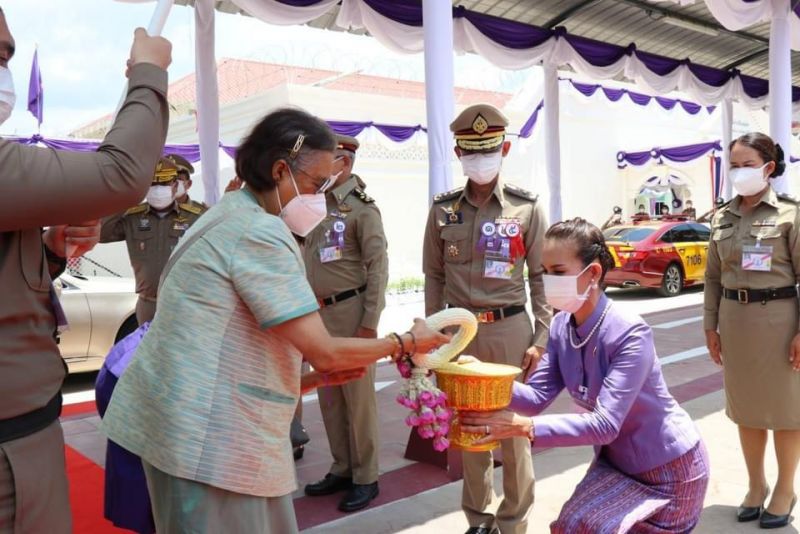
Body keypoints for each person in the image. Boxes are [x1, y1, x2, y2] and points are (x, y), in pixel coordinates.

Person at [101, 108, 450, 533]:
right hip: (208, 443)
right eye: (316, 184)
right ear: (281, 170)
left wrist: (303, 382)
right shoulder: (258, 231)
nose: (321, 196)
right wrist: (408, 342)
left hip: (189, 428)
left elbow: (223, 341)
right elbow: (323, 351)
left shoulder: (225, 213)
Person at [0, 14, 172, 532]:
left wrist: (49, 253)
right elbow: (120, 173)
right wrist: (149, 72)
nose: (3, 69)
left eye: (7, 56)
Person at [461, 218, 709, 533]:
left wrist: (523, 427)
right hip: (617, 464)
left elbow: (605, 425)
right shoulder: (562, 326)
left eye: (559, 272)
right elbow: (536, 397)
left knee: (589, 527)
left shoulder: (630, 333)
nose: (549, 281)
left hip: (670, 470)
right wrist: (478, 376)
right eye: (544, 272)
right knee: (571, 525)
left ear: (592, 273)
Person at [423, 103, 551, 534]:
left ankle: (513, 522)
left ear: (505, 148)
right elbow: (435, 275)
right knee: (469, 429)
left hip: (511, 331)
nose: (480, 159)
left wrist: (541, 338)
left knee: (513, 433)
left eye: (489, 150)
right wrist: (433, 335)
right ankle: (479, 520)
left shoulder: (526, 208)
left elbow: (542, 278)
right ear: (458, 154)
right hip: (460, 336)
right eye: (471, 151)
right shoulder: (442, 210)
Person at [704, 132, 800, 528]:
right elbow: (712, 277)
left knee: (786, 412)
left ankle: (785, 489)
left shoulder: (790, 215)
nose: (738, 171)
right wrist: (710, 325)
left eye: (746, 164)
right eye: (734, 164)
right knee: (747, 411)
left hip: (779, 322)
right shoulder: (722, 216)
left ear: (768, 168)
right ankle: (756, 485)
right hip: (735, 322)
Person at [302, 134, 389, 512]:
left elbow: (378, 269)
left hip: (351, 314)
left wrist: (369, 324)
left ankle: (366, 476)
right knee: (329, 397)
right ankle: (342, 467)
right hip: (317, 315)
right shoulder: (310, 205)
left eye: (327, 160)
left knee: (358, 401)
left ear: (345, 163)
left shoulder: (361, 209)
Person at [100, 157, 207, 324]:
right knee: (146, 346)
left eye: (164, 184)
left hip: (184, 302)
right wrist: (124, 200)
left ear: (174, 185)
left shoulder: (194, 217)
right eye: (152, 185)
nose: (158, 189)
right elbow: (102, 233)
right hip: (148, 303)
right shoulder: (133, 217)